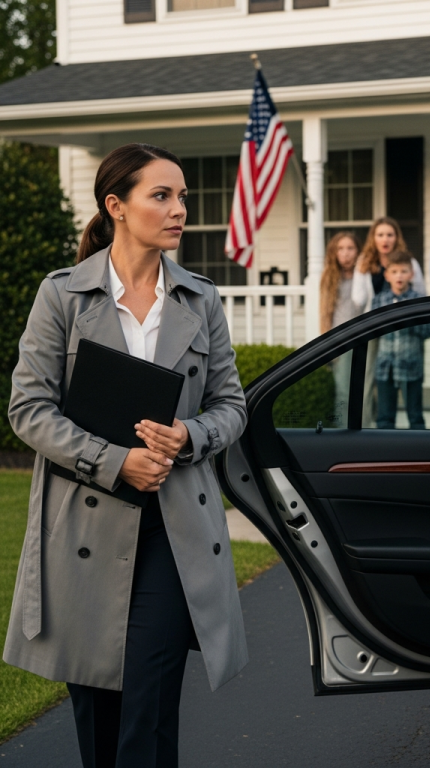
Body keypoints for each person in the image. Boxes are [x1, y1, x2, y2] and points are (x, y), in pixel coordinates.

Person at [3, 143, 248, 768]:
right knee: (100, 722)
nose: (179, 209)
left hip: (175, 530)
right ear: (116, 205)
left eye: (183, 197)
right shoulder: (62, 295)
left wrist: (190, 436)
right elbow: (29, 410)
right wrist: (114, 462)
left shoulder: (201, 299)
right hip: (83, 528)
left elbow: (231, 405)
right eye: (161, 195)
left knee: (148, 706)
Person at [352, 217, 426, 427]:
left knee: (411, 379)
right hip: (374, 326)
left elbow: (421, 294)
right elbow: (358, 299)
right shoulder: (365, 261)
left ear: (396, 237)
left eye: (390, 234)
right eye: (380, 235)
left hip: (406, 330)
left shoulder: (408, 261)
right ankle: (366, 426)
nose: (385, 239)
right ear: (373, 238)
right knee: (371, 380)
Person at [371, 250, 430, 429]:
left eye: (404, 271)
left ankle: (418, 452)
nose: (399, 276)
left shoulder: (419, 301)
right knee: (384, 417)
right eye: (395, 271)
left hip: (411, 366)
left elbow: (428, 331)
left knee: (415, 416)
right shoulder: (379, 300)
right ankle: (385, 452)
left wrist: (408, 320)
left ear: (411, 274)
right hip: (385, 367)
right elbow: (373, 332)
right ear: (387, 275)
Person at [320, 231, 363, 419]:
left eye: (350, 248)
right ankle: (342, 432)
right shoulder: (330, 278)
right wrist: (327, 346)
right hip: (340, 342)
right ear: (334, 253)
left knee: (364, 390)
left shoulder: (364, 277)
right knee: (344, 391)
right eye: (340, 249)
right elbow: (325, 315)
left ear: (358, 251)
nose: (345, 253)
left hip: (364, 338)